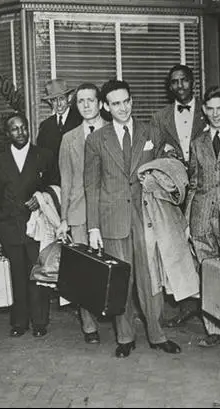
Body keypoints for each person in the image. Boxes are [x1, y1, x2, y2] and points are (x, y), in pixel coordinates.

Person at [84, 79, 181, 358]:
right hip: (113, 219)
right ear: (105, 106)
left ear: (132, 100)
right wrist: (93, 227)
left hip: (146, 215)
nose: (123, 108)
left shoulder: (150, 131)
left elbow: (169, 165)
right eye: (116, 103)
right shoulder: (96, 140)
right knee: (121, 281)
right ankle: (125, 336)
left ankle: (157, 334)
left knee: (150, 278)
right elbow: (92, 185)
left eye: (126, 101)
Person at [184, 86, 220, 347]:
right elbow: (193, 182)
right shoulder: (197, 142)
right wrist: (187, 220)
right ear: (204, 111)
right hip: (201, 217)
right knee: (208, 273)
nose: (216, 114)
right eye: (211, 109)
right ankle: (215, 330)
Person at [0, 113, 58, 338]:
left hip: (36, 226)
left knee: (37, 273)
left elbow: (56, 185)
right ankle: (19, 322)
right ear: (7, 133)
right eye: (15, 129)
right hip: (10, 227)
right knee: (17, 275)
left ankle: (39, 322)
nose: (21, 132)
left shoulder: (44, 156)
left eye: (24, 128)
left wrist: (42, 197)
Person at [150, 64, 206, 327]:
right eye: (174, 82)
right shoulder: (160, 116)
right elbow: (154, 148)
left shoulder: (209, 110)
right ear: (169, 86)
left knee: (205, 242)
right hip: (175, 189)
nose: (180, 86)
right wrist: (166, 153)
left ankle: (213, 306)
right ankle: (188, 304)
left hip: (205, 187)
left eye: (184, 80)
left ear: (193, 82)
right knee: (179, 247)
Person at [57, 82, 106, 344]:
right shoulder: (69, 139)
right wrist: (64, 217)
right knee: (83, 270)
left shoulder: (112, 131)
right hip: (78, 212)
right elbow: (66, 181)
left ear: (100, 103)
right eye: (81, 101)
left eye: (91, 100)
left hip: (108, 211)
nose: (86, 105)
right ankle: (89, 326)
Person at [37, 78, 83, 183]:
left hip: (76, 181)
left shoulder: (80, 121)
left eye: (61, 98)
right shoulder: (45, 126)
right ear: (50, 102)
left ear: (69, 98)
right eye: (54, 100)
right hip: (53, 184)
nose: (58, 104)